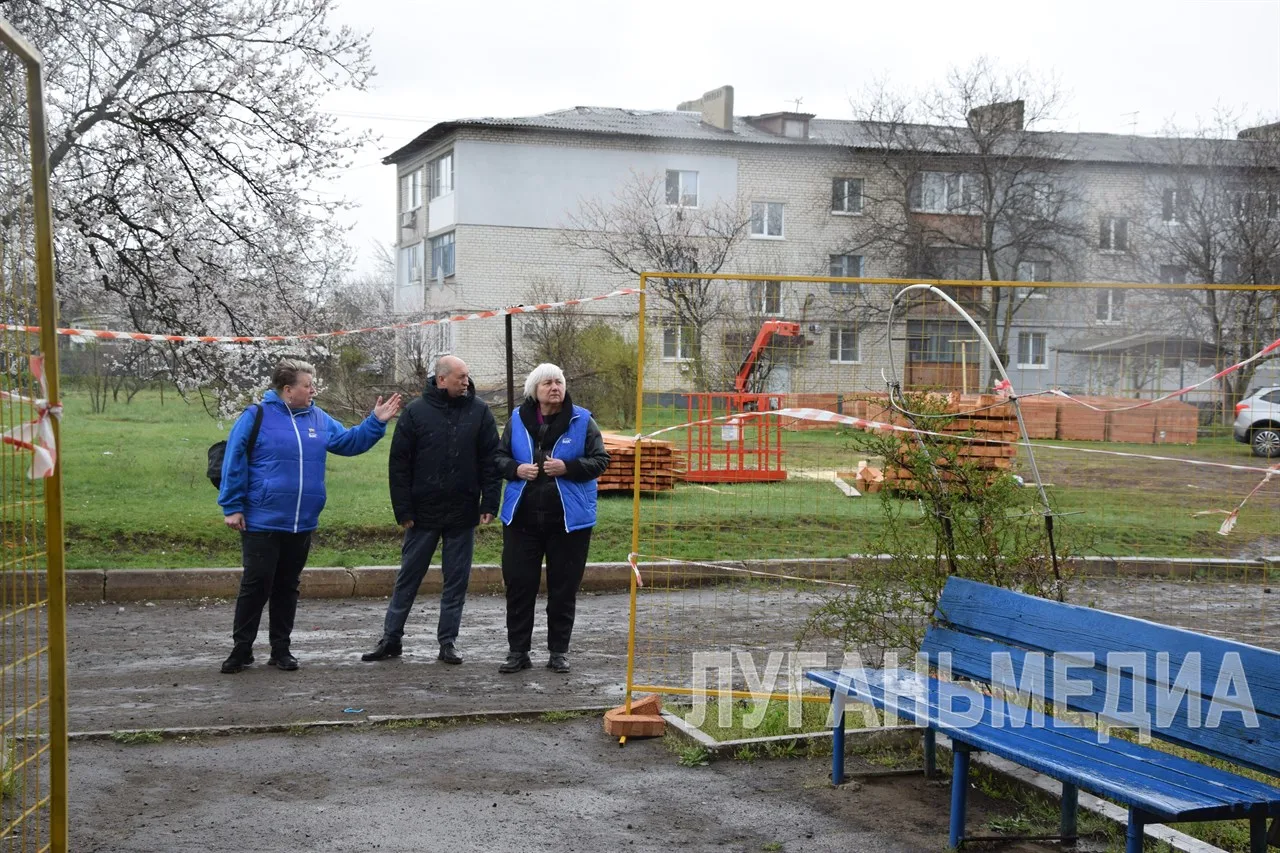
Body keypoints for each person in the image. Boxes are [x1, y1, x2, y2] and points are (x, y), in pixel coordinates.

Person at [218, 359, 401, 674]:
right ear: (288, 390)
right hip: (262, 519)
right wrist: (232, 506)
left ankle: (281, 650)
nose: (313, 389)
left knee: (287, 586)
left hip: (301, 521)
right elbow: (234, 461)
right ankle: (242, 649)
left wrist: (375, 421)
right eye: (307, 384)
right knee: (256, 584)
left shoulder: (318, 417)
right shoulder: (256, 416)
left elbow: (348, 443)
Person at [362, 355, 501, 665]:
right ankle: (391, 638)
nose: (466, 382)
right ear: (441, 379)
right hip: (422, 514)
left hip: (463, 513)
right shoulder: (415, 413)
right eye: (460, 377)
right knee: (408, 578)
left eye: (467, 376)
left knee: (456, 581)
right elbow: (399, 466)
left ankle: (447, 642)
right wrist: (403, 510)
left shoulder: (479, 412)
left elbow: (490, 461)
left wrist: (490, 502)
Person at [495, 363, 609, 674]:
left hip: (569, 523)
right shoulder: (517, 419)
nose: (554, 387)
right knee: (519, 586)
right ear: (535, 389)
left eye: (558, 381)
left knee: (563, 589)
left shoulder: (582, 420)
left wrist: (568, 468)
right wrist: (516, 470)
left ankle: (558, 652)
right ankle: (518, 652)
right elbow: (498, 457)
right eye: (547, 383)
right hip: (522, 519)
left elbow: (601, 461)